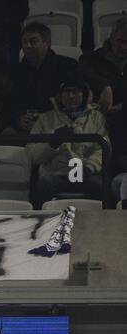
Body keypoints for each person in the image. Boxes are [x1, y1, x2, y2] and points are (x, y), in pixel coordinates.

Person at [78, 18, 127, 204]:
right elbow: (82, 75)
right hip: (96, 126)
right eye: (120, 41)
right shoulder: (91, 59)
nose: (124, 47)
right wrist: (104, 86)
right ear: (111, 37)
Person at [11, 21, 80, 135]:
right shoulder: (17, 70)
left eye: (33, 42)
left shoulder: (67, 66)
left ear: (46, 43)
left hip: (57, 126)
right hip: (25, 128)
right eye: (24, 42)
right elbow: (10, 103)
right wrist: (19, 119)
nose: (27, 46)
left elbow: (73, 104)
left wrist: (45, 120)